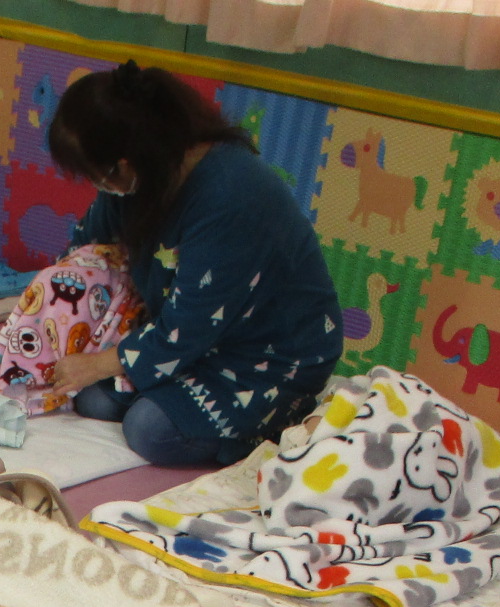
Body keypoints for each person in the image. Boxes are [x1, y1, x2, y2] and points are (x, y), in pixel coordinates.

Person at [44, 63, 342, 467]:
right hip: (196, 339)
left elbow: (187, 328)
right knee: (93, 400)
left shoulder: (229, 195)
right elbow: (83, 252)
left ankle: (274, 429)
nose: (98, 187)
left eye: (98, 176)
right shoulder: (139, 179)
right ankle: (161, 388)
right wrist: (31, 323)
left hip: (270, 357)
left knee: (149, 430)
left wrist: (96, 363)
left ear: (125, 163)